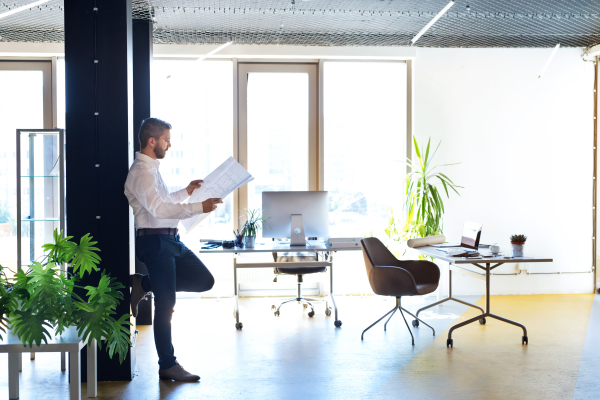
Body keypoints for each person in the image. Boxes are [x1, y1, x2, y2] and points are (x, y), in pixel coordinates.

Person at [125, 117, 222, 382]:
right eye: (166, 140)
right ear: (152, 141)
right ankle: (167, 364)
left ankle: (144, 283)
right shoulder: (142, 172)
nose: (170, 145)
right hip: (155, 242)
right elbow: (158, 210)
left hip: (170, 239)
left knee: (204, 280)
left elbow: (164, 201)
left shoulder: (152, 170)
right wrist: (198, 207)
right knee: (166, 304)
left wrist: (187, 192)